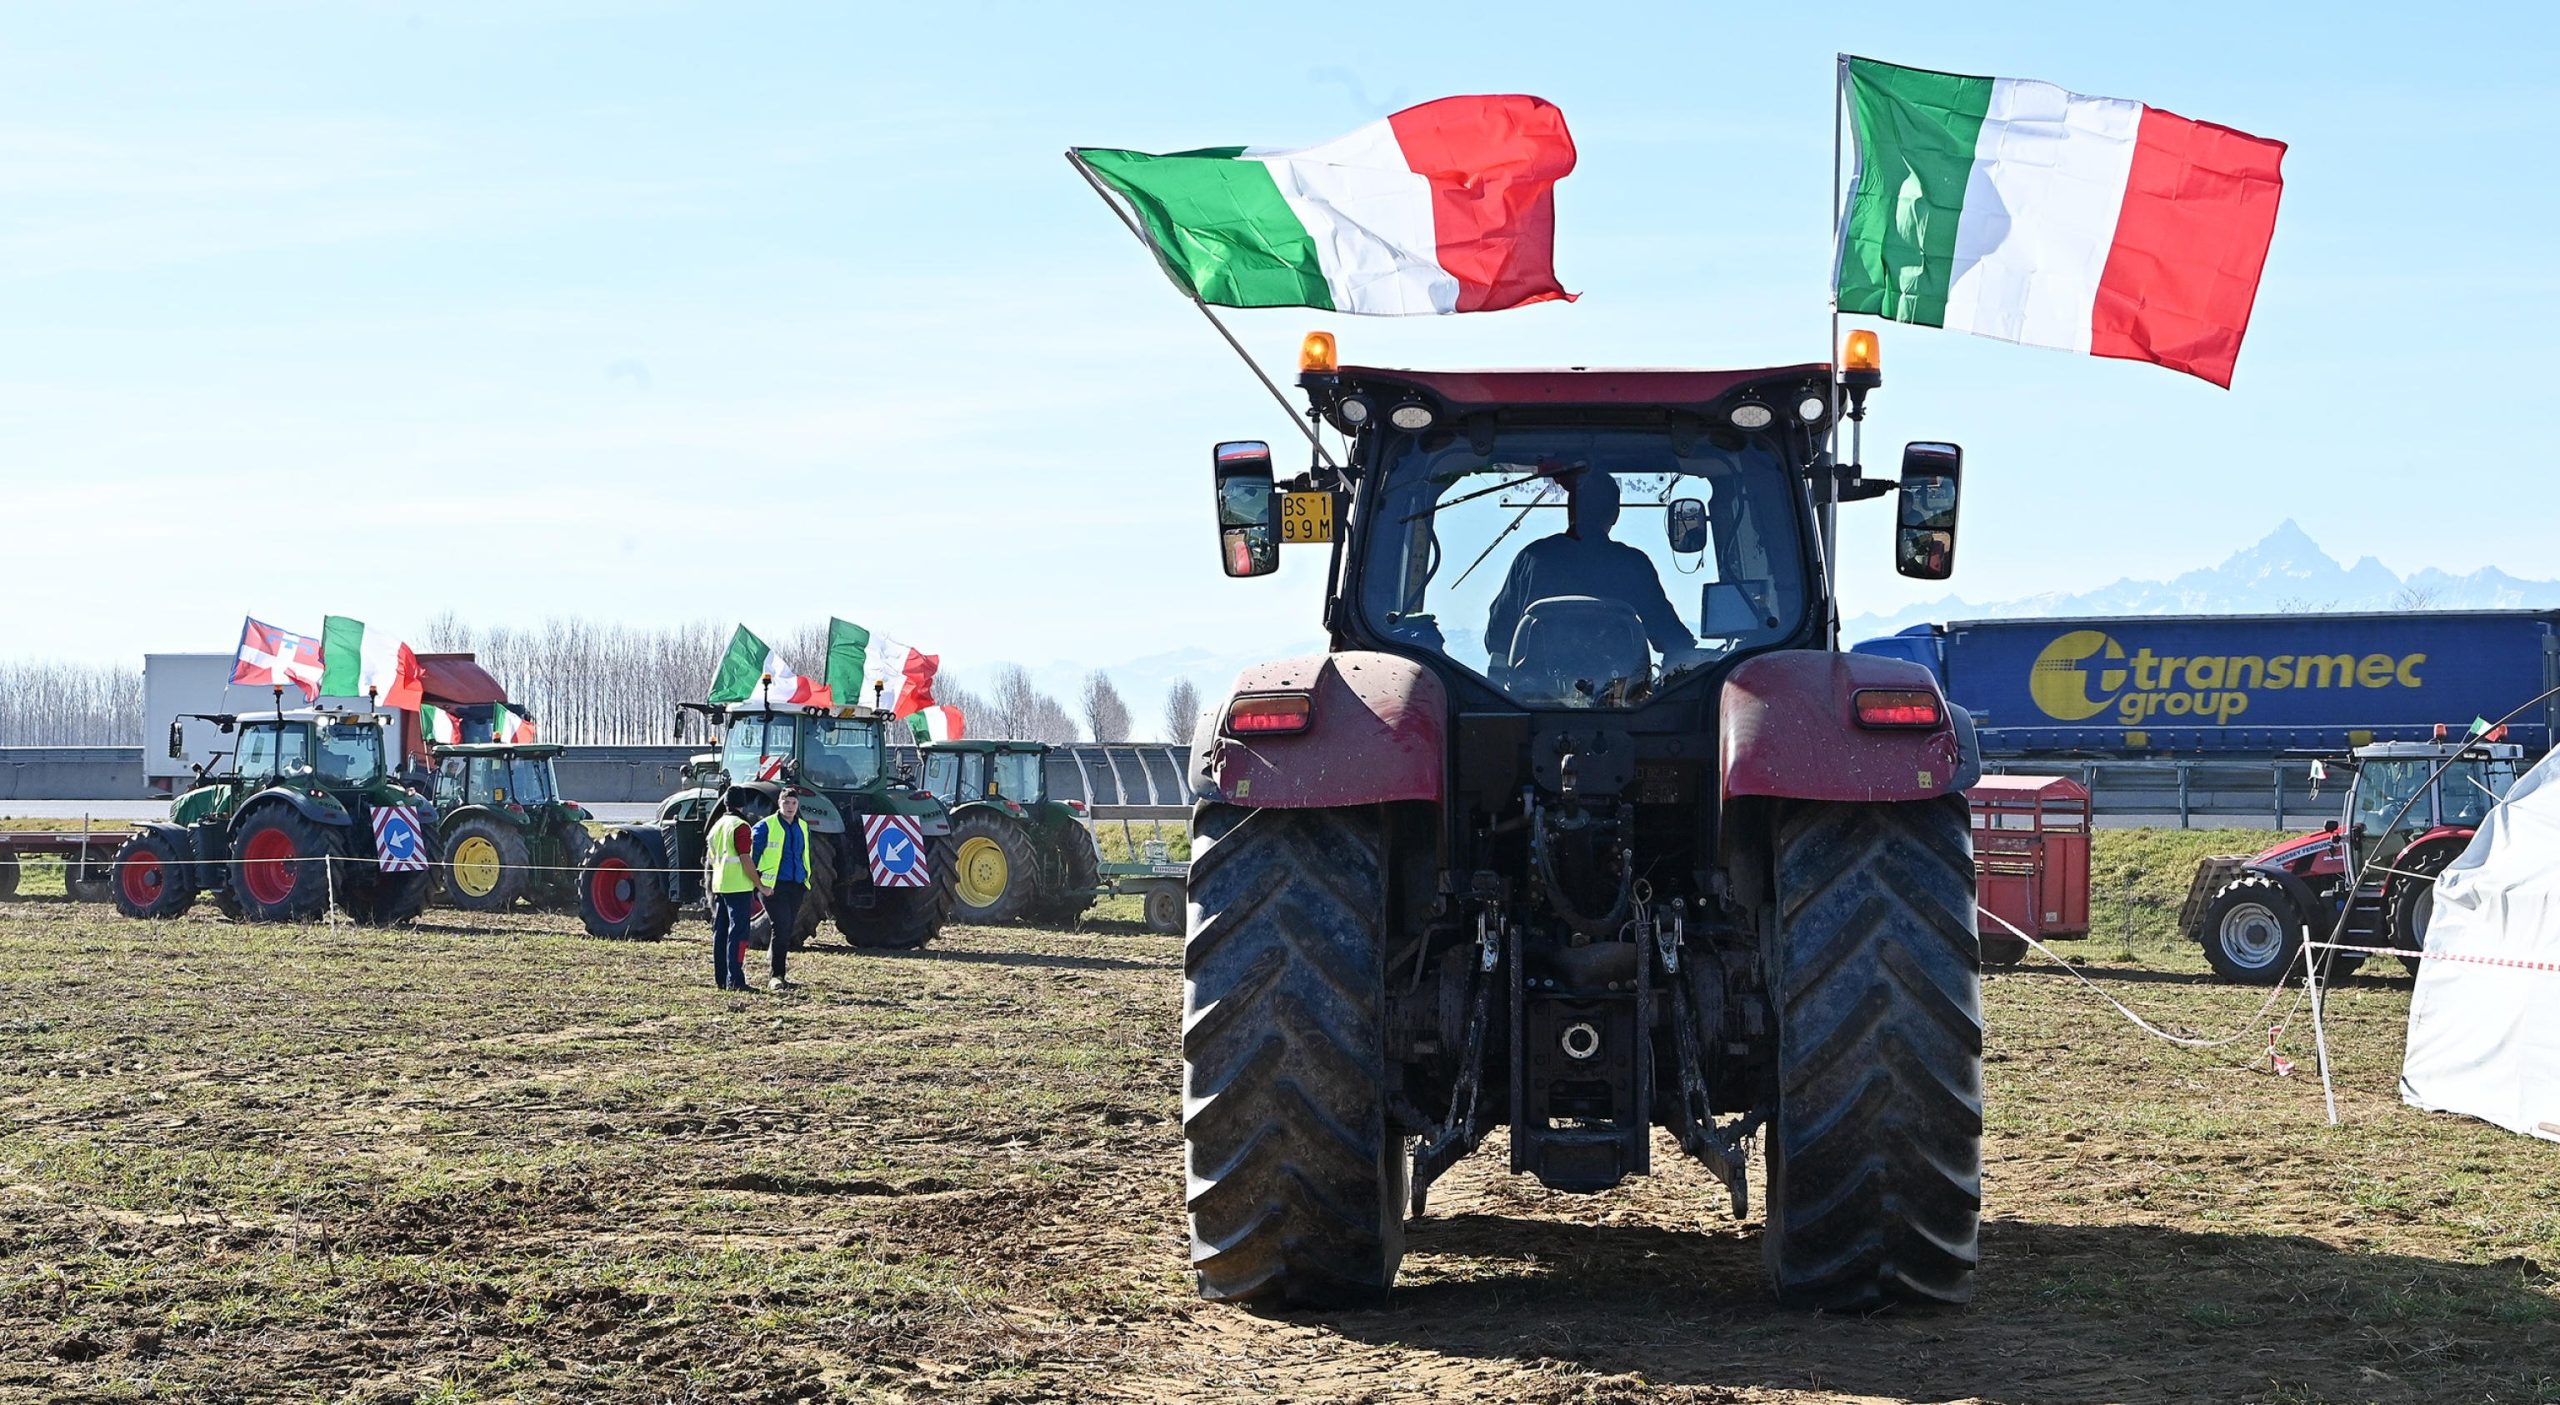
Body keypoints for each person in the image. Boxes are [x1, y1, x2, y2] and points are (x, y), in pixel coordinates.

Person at [1484, 469, 1692, 666]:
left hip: (1530, 700)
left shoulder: (1531, 559)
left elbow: (1496, 639)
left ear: (1570, 510)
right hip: (1622, 697)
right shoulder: (1633, 564)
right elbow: (1674, 640)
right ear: (1615, 514)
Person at [753, 791, 813, 991]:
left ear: (798, 805)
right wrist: (758, 885)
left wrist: (805, 881)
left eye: (794, 802)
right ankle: (776, 976)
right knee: (781, 927)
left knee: (786, 929)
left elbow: (804, 855)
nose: (790, 806)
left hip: (796, 885)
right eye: (786, 802)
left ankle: (780, 974)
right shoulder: (765, 826)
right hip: (773, 887)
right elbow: (753, 857)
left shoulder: (803, 827)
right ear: (779, 803)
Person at [704, 804, 764, 992]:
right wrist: (759, 883)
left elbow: (712, 859)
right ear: (742, 805)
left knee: (720, 933)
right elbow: (745, 859)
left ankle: (721, 979)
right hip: (739, 885)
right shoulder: (741, 826)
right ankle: (736, 980)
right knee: (738, 935)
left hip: (720, 885)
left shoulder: (716, 826)